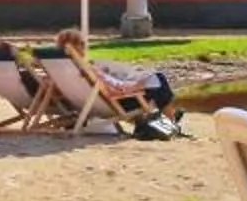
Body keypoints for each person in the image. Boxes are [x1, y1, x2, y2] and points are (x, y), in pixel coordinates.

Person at [54, 27, 183, 137]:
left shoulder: (64, 70)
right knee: (159, 78)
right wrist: (133, 88)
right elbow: (111, 90)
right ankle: (170, 122)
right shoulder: (87, 70)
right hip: (119, 102)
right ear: (75, 47)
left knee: (148, 79)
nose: (85, 46)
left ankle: (154, 120)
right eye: (82, 43)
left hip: (91, 104)